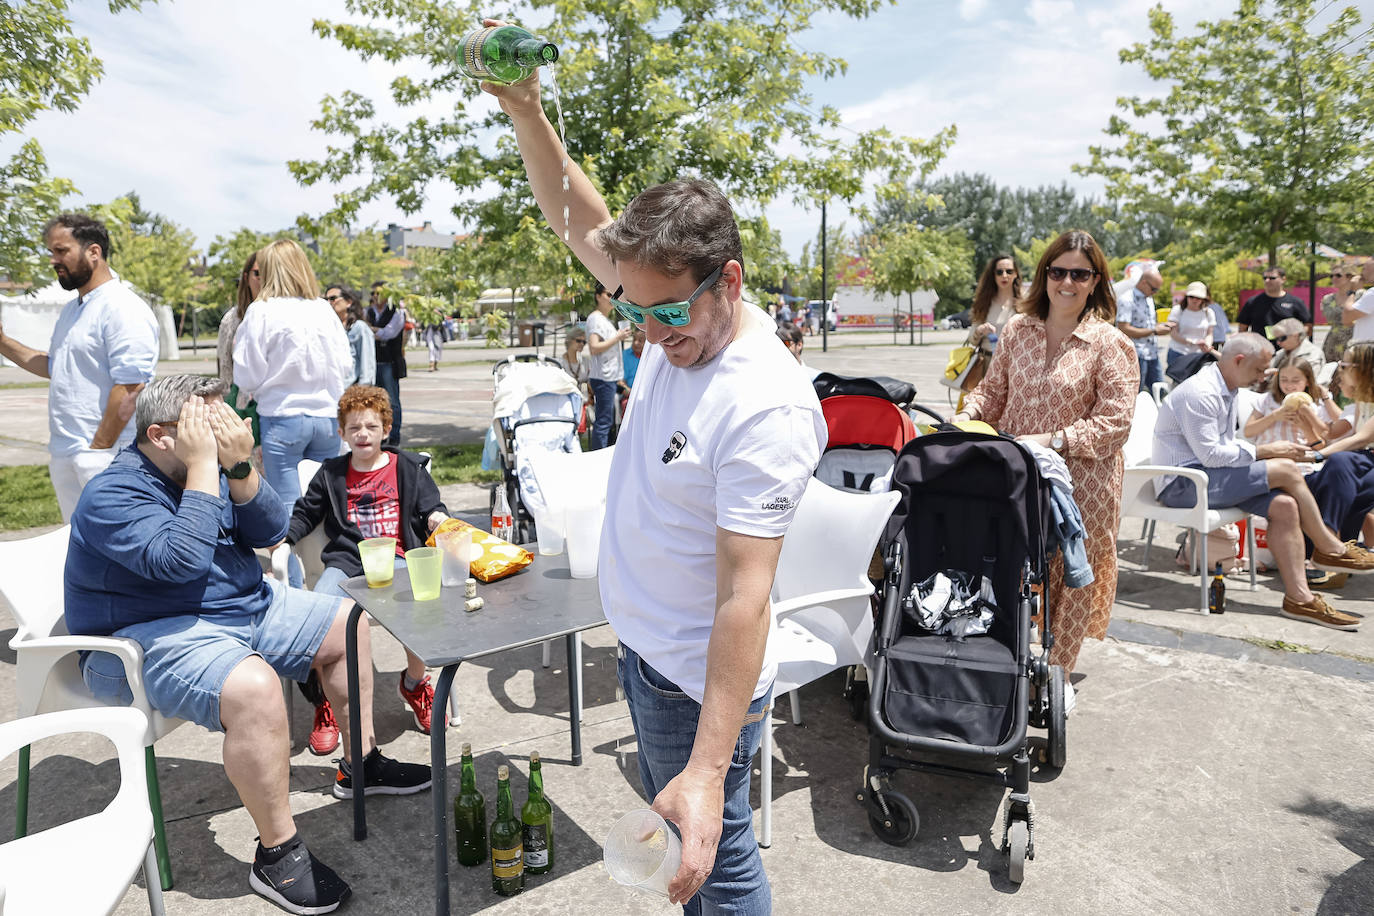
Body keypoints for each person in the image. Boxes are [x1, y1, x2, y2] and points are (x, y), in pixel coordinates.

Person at [484, 41, 827, 911]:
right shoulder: (669, 314)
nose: (649, 333)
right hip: (643, 644)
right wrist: (526, 108)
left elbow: (745, 598)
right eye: (633, 311)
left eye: (668, 313)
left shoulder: (765, 405)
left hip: (694, 673)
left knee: (716, 855)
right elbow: (573, 215)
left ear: (730, 280)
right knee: (690, 851)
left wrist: (710, 769)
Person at [64, 374, 430, 915]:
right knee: (255, 688)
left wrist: (237, 467)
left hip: (242, 606)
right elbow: (179, 563)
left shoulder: (210, 466)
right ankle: (277, 855)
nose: (229, 432)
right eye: (212, 425)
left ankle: (362, 763)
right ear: (165, 436)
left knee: (347, 622)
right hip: (145, 635)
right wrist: (204, 470)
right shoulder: (114, 494)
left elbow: (271, 530)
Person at [954, 230, 1137, 712]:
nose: (1068, 282)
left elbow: (1115, 425)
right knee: (1012, 565)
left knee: (1071, 576)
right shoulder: (1017, 330)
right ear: (1045, 275)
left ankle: (1056, 675)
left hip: (1084, 482)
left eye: (1080, 273)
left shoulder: (1109, 343)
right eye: (1059, 271)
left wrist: (1054, 439)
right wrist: (968, 412)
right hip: (1016, 473)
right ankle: (1007, 662)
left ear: (1096, 279)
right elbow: (993, 394)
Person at [1151, 333, 1372, 630]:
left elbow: (1222, 452)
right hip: (1184, 485)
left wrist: (1264, 454)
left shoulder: (1226, 387)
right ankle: (1327, 547)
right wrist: (1265, 451)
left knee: (1284, 506)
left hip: (1207, 478)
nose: (1262, 378)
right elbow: (1212, 455)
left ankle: (1299, 598)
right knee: (1286, 469)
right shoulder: (1202, 392)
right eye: (1258, 370)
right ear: (1239, 360)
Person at [285, 384, 449, 743]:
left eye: (371, 427)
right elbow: (305, 514)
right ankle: (326, 700)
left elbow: (431, 506)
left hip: (397, 558)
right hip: (348, 559)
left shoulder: (406, 467)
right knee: (318, 614)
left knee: (421, 605)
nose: (363, 434)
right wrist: (283, 541)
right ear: (341, 432)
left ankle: (414, 682)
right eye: (354, 427)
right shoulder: (331, 474)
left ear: (386, 430)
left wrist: (436, 517)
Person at [0, 213, 159, 521]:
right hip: (66, 452)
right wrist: (3, 342)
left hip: (107, 455)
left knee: (116, 550)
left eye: (61, 251)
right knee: (79, 549)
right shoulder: (73, 310)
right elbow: (55, 366)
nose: (53, 260)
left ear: (93, 252)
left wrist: (97, 451)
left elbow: (130, 387)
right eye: (51, 252)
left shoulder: (123, 308)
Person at [233, 239, 354, 589]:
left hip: (282, 419)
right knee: (330, 507)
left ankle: (296, 590)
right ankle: (334, 582)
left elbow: (246, 375)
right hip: (326, 419)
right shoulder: (322, 309)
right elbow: (345, 364)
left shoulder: (262, 310)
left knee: (286, 515)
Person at [1243, 354, 1336, 449]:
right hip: (1268, 453)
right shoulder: (1267, 400)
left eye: (1295, 381)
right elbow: (1247, 432)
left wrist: (1305, 427)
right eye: (1284, 380)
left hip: (1298, 455)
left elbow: (1320, 446)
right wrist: (1273, 416)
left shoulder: (1315, 406)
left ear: (1307, 381)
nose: (1289, 385)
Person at [585, 282, 631, 450]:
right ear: (598, 296)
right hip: (603, 377)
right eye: (607, 294)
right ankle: (598, 459)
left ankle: (602, 454)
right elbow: (594, 347)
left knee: (608, 421)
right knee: (604, 422)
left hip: (610, 376)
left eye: (614, 295)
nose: (612, 299)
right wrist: (617, 338)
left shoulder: (603, 319)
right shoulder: (596, 318)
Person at [1116, 264, 1172, 393]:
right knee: (1135, 393)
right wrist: (1155, 331)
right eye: (1153, 289)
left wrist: (1159, 327)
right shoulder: (1126, 299)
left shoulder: (1149, 298)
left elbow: (1148, 323)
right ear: (1143, 283)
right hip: (1136, 354)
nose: (1154, 292)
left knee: (1160, 391)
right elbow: (1123, 329)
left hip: (1152, 352)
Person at [366, 281, 407, 446]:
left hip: (389, 362)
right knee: (373, 401)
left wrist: (372, 330)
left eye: (378, 293)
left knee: (393, 401)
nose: (375, 297)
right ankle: (379, 434)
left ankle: (394, 436)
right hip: (372, 362)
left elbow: (388, 333)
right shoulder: (368, 311)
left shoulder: (396, 312)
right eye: (373, 293)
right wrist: (375, 331)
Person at [1237, 266, 1311, 339]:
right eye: (1264, 278)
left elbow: (1308, 327)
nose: (1267, 281)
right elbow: (1242, 329)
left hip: (1288, 350)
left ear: (1283, 279)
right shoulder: (1252, 302)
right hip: (1261, 349)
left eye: (1272, 278)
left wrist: (1294, 338)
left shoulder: (1296, 302)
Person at [325, 285, 375, 387]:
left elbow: (367, 365)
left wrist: (362, 391)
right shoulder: (327, 328)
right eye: (325, 299)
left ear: (349, 302)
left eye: (333, 298)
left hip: (351, 390)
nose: (328, 302)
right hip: (331, 390)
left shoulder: (359, 328)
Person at [1165, 281, 1218, 364]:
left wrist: (1207, 344)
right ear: (1186, 297)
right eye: (1191, 297)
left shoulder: (1208, 312)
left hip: (1199, 354)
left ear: (1203, 299)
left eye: (1198, 297)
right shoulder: (1178, 310)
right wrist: (1192, 342)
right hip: (1178, 352)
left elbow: (1209, 334)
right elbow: (1173, 333)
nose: (1194, 300)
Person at [1321, 265, 1360, 366]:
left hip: (1354, 341)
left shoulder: (1361, 296)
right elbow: (1330, 318)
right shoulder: (1328, 299)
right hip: (1332, 342)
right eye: (1331, 276)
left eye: (1338, 275)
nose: (1334, 278)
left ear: (1350, 277)